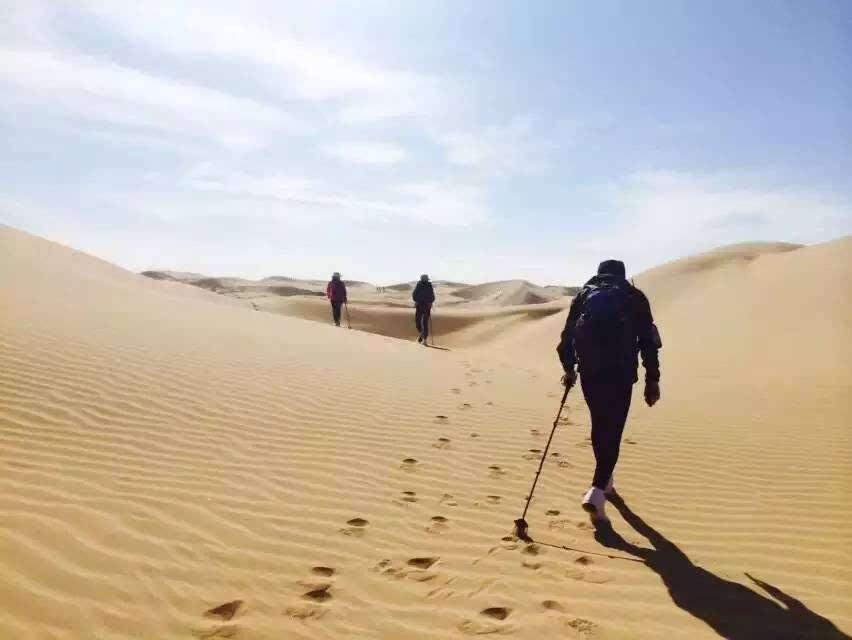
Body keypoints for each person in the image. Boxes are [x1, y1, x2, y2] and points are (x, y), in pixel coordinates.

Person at [556, 259, 661, 523]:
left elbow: (565, 338)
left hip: (591, 372)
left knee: (599, 425)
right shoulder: (634, 296)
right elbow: (648, 342)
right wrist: (652, 380)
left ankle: (606, 480)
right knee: (613, 430)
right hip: (621, 373)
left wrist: (569, 368)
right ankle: (597, 490)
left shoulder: (584, 295)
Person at [412, 274, 435, 344]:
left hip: (425, 306)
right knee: (418, 322)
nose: (426, 280)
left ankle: (424, 339)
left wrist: (431, 302)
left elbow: (432, 296)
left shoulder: (429, 285)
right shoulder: (419, 285)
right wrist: (416, 301)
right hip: (421, 305)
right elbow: (414, 294)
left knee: (423, 322)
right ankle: (422, 335)